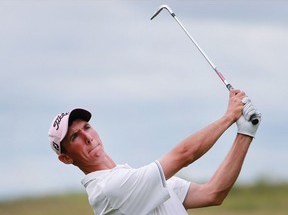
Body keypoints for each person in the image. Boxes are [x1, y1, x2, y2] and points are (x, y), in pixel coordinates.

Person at [48, 89, 261, 215]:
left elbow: (213, 194)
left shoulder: (141, 182)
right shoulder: (108, 189)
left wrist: (245, 133)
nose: (87, 137)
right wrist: (229, 117)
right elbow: (184, 155)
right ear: (66, 158)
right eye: (75, 137)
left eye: (86, 127)